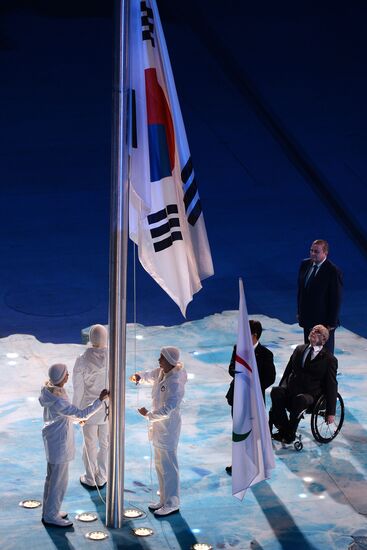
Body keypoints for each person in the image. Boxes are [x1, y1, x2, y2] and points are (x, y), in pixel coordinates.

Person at [39, 363, 109, 527]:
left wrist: (77, 419)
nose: (68, 376)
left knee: (51, 478)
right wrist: (100, 400)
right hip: (59, 442)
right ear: (60, 377)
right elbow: (79, 413)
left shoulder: (52, 392)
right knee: (58, 481)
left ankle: (49, 511)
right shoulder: (58, 400)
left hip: (53, 439)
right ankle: (51, 515)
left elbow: (68, 415)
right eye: (66, 374)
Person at [129, 346, 187, 517]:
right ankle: (163, 498)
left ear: (169, 361)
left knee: (169, 466)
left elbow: (168, 409)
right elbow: (150, 375)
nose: (158, 359)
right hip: (158, 429)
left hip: (168, 429)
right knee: (160, 465)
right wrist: (139, 376)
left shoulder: (175, 383)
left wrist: (148, 415)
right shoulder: (162, 372)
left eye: (161, 357)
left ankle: (172, 502)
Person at [270, 325, 337, 444]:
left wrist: (331, 411)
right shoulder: (299, 349)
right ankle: (287, 430)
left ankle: (288, 434)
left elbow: (332, 385)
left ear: (324, 339)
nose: (313, 332)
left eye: (318, 332)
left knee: (300, 400)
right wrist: (282, 387)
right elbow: (288, 371)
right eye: (313, 330)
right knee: (276, 391)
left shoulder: (329, 360)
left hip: (311, 395)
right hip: (292, 389)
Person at [225, 319, 276, 475]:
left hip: (253, 400)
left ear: (254, 335)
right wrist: (240, 374)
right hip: (237, 397)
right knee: (239, 432)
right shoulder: (238, 348)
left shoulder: (266, 354)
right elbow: (231, 368)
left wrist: (253, 384)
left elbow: (270, 377)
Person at [72, 324, 109, 490]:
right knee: (105, 444)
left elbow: (78, 389)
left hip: (89, 409)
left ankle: (90, 477)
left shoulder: (82, 359)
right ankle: (102, 476)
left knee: (90, 444)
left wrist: (76, 413)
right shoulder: (112, 356)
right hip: (109, 409)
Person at [297, 239, 343, 353]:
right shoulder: (305, 264)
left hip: (323, 323)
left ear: (325, 253)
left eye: (316, 251)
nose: (313, 254)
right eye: (311, 250)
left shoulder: (333, 271)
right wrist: (300, 312)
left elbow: (336, 299)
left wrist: (331, 323)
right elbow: (302, 291)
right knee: (308, 350)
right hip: (307, 319)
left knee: (324, 354)